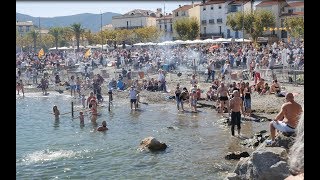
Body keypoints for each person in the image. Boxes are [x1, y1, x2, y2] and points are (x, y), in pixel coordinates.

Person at [285, 113, 304, 180]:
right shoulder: (298, 105)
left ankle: (272, 140)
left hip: (290, 127)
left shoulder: (285, 106)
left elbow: (279, 119)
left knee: (272, 124)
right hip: (294, 128)